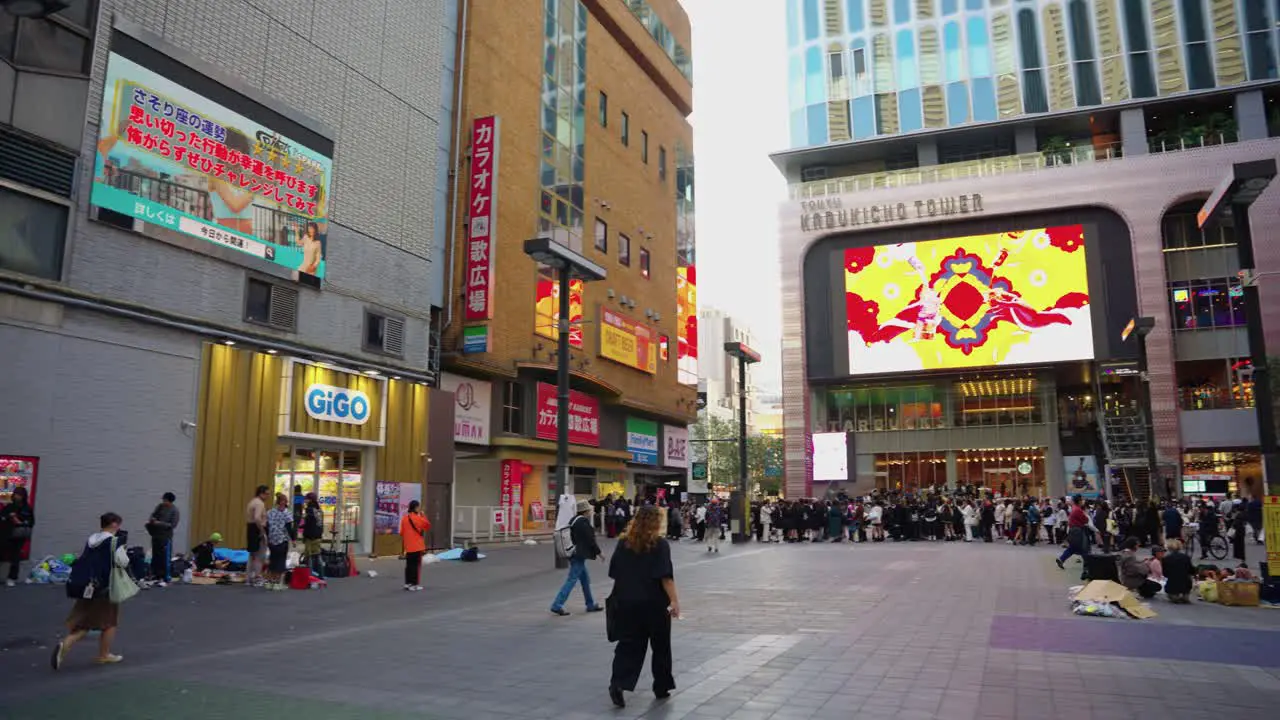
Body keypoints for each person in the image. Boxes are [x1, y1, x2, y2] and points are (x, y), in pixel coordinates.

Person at [607, 505, 679, 709]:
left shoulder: (623, 543)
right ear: (656, 521)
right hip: (655, 603)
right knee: (661, 646)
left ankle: (618, 683)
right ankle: (661, 686)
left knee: (628, 645)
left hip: (627, 602)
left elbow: (615, 573)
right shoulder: (660, 544)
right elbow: (666, 578)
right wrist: (674, 601)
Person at [51, 512, 130, 669]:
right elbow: (124, 561)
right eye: (118, 524)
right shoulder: (114, 542)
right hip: (105, 586)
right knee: (109, 622)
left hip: (88, 586)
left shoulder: (92, 539)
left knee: (86, 619)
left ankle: (70, 645)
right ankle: (100, 653)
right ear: (114, 524)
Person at [550, 500, 604, 616]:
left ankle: (590, 604)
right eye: (589, 509)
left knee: (585, 580)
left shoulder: (573, 520)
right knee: (572, 579)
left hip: (573, 552)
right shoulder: (583, 523)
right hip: (579, 554)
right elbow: (590, 540)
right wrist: (599, 553)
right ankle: (557, 604)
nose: (591, 511)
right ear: (585, 511)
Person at [1, 486, 34, 587]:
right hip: (6, 534)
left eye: (19, 495)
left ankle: (12, 577)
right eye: (16, 494)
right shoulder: (10, 506)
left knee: (15, 557)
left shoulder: (27, 508)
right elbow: (2, 516)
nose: (17, 497)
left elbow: (31, 522)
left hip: (19, 536)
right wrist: (7, 517)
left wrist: (21, 522)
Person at [145, 492, 180, 586]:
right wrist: (152, 520)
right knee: (155, 555)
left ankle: (165, 576)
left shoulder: (174, 511)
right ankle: (155, 574)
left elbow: (172, 525)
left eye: (165, 500)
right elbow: (153, 515)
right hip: (156, 535)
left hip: (166, 536)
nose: (163, 501)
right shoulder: (160, 506)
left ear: (169, 501)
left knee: (165, 556)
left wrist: (158, 523)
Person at [400, 499, 431, 592]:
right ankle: (414, 584)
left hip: (408, 546)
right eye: (419, 507)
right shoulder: (418, 518)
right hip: (417, 545)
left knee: (409, 565)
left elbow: (401, 532)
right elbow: (427, 525)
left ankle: (407, 583)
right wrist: (423, 515)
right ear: (416, 508)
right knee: (416, 566)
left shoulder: (404, 518)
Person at [264, 493, 293, 590]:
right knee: (281, 561)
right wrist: (293, 539)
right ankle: (278, 583)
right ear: (284, 502)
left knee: (273, 560)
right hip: (282, 540)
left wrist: (267, 538)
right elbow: (289, 528)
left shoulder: (270, 512)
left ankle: (269, 582)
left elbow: (266, 527)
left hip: (272, 540)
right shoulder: (286, 513)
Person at [1055, 495, 1092, 569]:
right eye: (1082, 500)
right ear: (1079, 501)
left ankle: (1061, 559)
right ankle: (1087, 565)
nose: (1083, 501)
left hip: (1073, 530)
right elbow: (1085, 520)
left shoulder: (1074, 508)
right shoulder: (1078, 509)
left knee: (1073, 548)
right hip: (1078, 531)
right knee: (1084, 547)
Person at [245, 485, 270, 587]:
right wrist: (262, 531)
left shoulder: (252, 502)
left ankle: (249, 578)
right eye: (267, 493)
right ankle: (257, 578)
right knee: (260, 556)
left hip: (250, 528)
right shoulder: (259, 503)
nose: (268, 496)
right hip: (257, 529)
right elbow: (257, 518)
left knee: (252, 555)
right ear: (261, 493)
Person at [300, 492, 325, 577]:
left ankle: (309, 576)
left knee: (309, 557)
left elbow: (309, 523)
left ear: (310, 500)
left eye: (306, 499)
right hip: (318, 536)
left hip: (310, 536)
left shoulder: (309, 509)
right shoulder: (319, 510)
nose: (305, 500)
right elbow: (318, 523)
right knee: (318, 556)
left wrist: (302, 527)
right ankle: (321, 575)